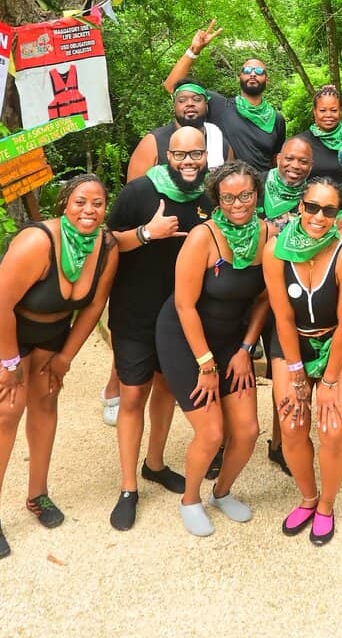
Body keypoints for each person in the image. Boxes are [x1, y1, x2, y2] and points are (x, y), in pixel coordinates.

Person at [0, 176, 118, 558]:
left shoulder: (107, 246)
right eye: (80, 201)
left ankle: (37, 494)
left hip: (51, 326)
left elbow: (94, 306)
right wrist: (10, 363)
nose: (89, 210)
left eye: (97, 203)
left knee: (46, 399)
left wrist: (65, 358)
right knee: (6, 408)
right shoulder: (37, 241)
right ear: (65, 204)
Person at [106, 126, 213, 531]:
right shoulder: (140, 192)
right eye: (182, 155)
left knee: (167, 390)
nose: (189, 162)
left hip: (179, 318)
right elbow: (109, 240)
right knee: (133, 396)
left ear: (205, 156)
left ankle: (154, 464)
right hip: (134, 312)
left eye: (197, 155)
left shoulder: (207, 199)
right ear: (168, 155)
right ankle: (128, 486)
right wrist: (148, 233)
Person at [156, 162, 270, 535]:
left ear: (257, 194)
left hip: (232, 342)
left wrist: (246, 349)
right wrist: (206, 364)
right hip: (186, 339)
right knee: (211, 433)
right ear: (217, 199)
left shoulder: (267, 234)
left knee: (248, 430)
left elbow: (264, 300)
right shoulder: (203, 237)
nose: (238, 203)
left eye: (246, 195)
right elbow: (184, 305)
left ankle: (222, 492)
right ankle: (190, 499)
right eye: (229, 197)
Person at [263, 178, 342, 545]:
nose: (318, 217)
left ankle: (326, 504)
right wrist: (296, 375)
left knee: (332, 429)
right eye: (312, 207)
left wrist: (327, 382)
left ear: (338, 215)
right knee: (291, 424)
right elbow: (282, 316)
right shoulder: (275, 249)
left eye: (328, 210)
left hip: (338, 342)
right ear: (300, 206)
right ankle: (307, 498)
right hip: (293, 343)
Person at [258, 134, 314, 477]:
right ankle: (223, 445)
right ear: (279, 156)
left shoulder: (314, 196)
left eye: (303, 162)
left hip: (291, 292)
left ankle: (280, 444)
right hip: (249, 289)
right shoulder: (256, 183)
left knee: (288, 370)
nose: (295, 166)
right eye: (290, 159)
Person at [161, 20, 286, 171]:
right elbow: (171, 86)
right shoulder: (221, 106)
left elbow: (276, 159)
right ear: (239, 77)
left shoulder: (277, 119)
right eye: (247, 71)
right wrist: (193, 51)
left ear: (267, 79)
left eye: (259, 71)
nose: (253, 74)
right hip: (225, 188)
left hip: (260, 189)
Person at [127, 80, 232, 181]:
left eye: (197, 99)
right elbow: (135, 193)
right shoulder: (153, 142)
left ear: (206, 105)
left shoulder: (220, 143)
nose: (190, 103)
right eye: (182, 100)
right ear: (174, 106)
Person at [297, 84, 342, 185]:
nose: (328, 115)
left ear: (341, 112)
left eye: (333, 110)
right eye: (322, 110)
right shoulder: (300, 143)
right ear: (314, 112)